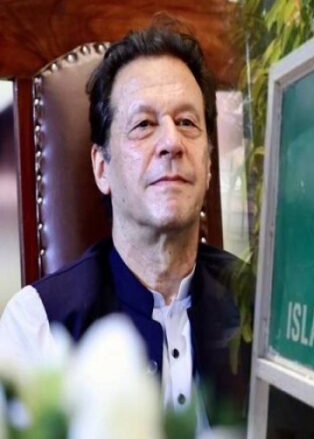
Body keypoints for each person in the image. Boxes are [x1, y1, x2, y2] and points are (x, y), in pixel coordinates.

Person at [0, 21, 240, 423]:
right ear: (102, 168)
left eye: (187, 122)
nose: (171, 143)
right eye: (144, 124)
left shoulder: (260, 311)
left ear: (209, 162)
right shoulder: (35, 326)